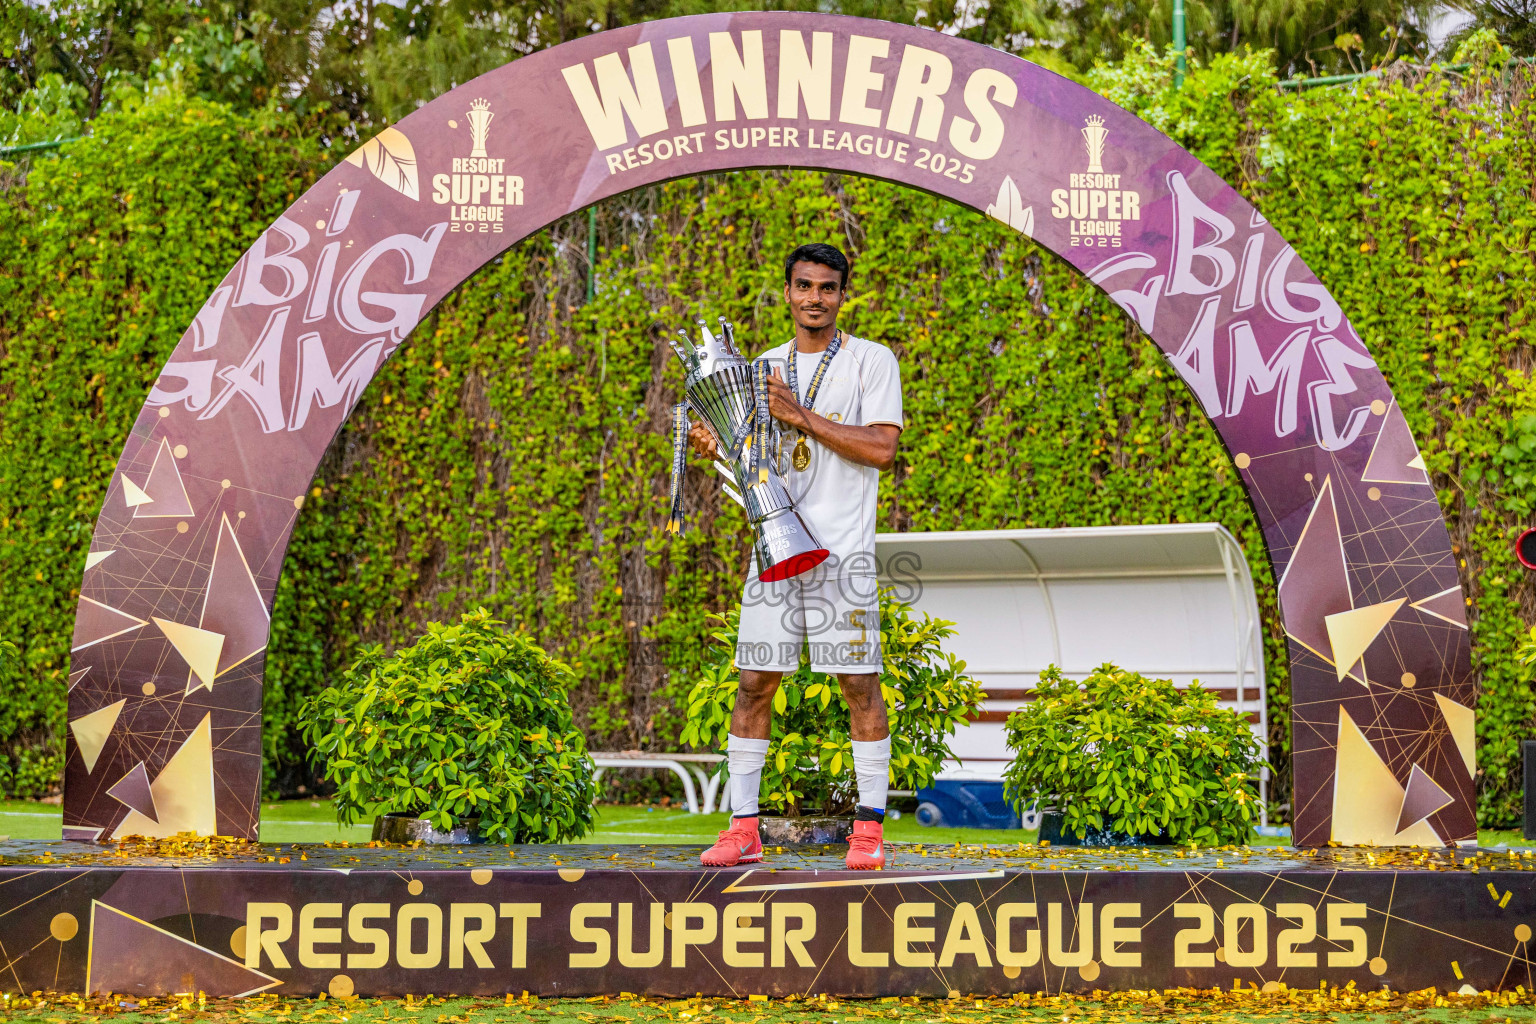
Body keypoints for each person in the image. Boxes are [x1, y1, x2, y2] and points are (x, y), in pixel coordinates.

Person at [689, 242, 903, 870]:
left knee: (858, 685)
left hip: (844, 555)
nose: (815, 298)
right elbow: (755, 460)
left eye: (828, 288)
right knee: (754, 682)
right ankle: (745, 829)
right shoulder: (761, 365)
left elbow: (883, 450)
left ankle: (868, 830)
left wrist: (800, 415)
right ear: (787, 292)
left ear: (843, 295)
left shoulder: (872, 361)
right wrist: (718, 447)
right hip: (774, 550)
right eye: (804, 286)